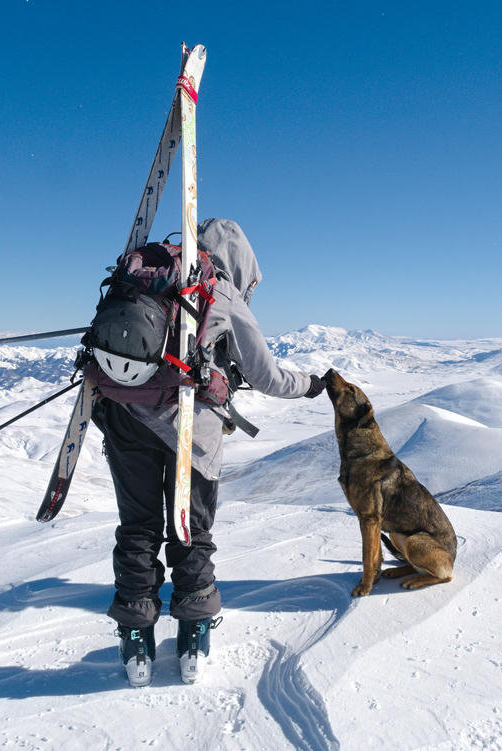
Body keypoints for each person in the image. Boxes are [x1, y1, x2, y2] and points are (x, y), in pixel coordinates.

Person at [90, 218, 325, 686]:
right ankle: (194, 630)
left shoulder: (146, 270)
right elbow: (267, 376)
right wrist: (311, 385)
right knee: (190, 529)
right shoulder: (219, 290)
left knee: (138, 526)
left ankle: (136, 642)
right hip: (189, 430)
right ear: (240, 261)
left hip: (121, 413)